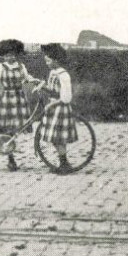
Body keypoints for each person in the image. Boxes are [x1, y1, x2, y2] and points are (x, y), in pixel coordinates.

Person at [0, 39, 36, 171]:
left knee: (13, 131)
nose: (10, 57)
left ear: (17, 54)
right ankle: (10, 159)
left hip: (19, 100)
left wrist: (35, 82)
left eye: (12, 54)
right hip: (6, 99)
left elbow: (26, 78)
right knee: (5, 129)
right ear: (3, 55)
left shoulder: (21, 66)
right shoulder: (1, 67)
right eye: (7, 54)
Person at [36, 43, 78, 174]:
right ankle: (63, 162)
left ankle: (64, 164)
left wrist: (52, 104)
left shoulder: (63, 75)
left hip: (60, 109)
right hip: (53, 108)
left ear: (56, 60)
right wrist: (41, 85)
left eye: (48, 60)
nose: (47, 63)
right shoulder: (53, 73)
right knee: (55, 138)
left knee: (59, 138)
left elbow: (65, 97)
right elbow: (52, 89)